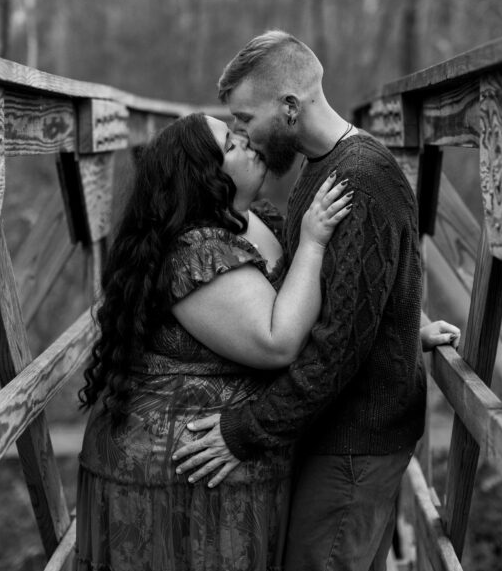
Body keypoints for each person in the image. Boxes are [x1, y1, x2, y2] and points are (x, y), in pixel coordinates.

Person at [74, 112, 457, 571]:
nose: (249, 142)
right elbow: (278, 341)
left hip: (236, 467)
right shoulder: (196, 251)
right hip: (178, 478)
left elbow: (325, 307)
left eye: (238, 132)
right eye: (231, 146)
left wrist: (399, 337)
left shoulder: (260, 220)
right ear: (203, 176)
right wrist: (313, 243)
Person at [173, 30, 448, 571]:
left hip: (355, 443)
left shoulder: (361, 179)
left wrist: (246, 431)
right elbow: (353, 290)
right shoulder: (320, 166)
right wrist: (403, 323)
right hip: (335, 431)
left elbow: (338, 346)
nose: (242, 136)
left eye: (246, 119)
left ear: (290, 107)